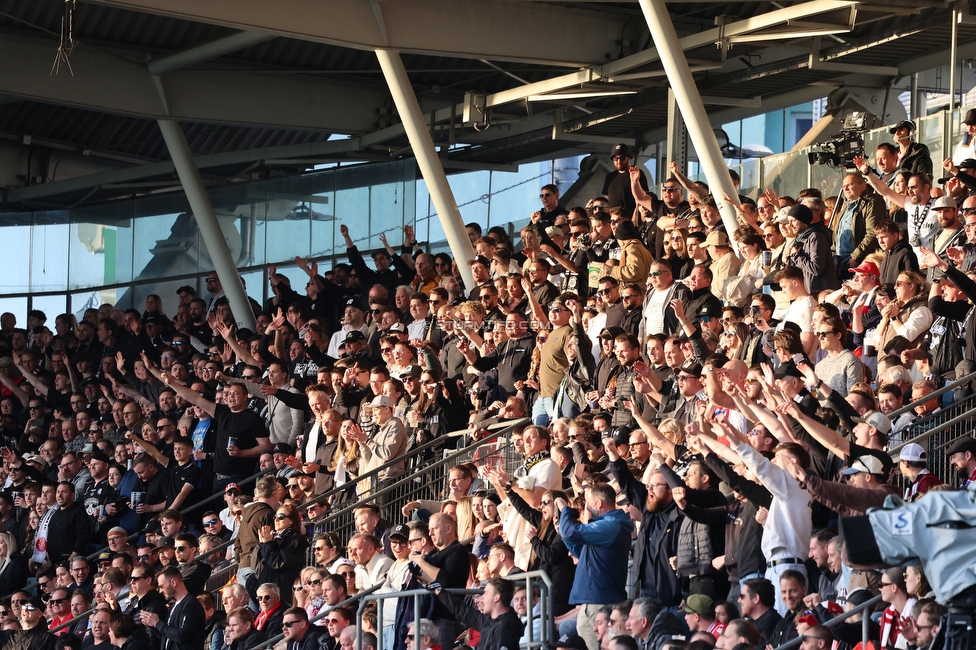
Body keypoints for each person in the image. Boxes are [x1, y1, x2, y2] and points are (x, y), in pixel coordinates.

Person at [557, 483, 635, 650]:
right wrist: (564, 532)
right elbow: (581, 552)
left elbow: (571, 532)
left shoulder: (609, 525)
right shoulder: (607, 526)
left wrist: (566, 510)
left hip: (598, 600)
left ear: (599, 503)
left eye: (587, 501)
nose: (586, 506)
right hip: (596, 598)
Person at [433, 578, 524, 650]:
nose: (482, 598)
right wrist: (439, 591)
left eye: (486, 594)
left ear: (496, 597)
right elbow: (462, 610)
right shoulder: (488, 621)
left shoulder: (504, 628)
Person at [138, 567, 205, 650]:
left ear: (173, 583)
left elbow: (181, 636)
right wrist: (152, 624)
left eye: (162, 586)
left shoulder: (191, 605)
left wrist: (157, 623)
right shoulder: (173, 606)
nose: (160, 591)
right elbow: (168, 636)